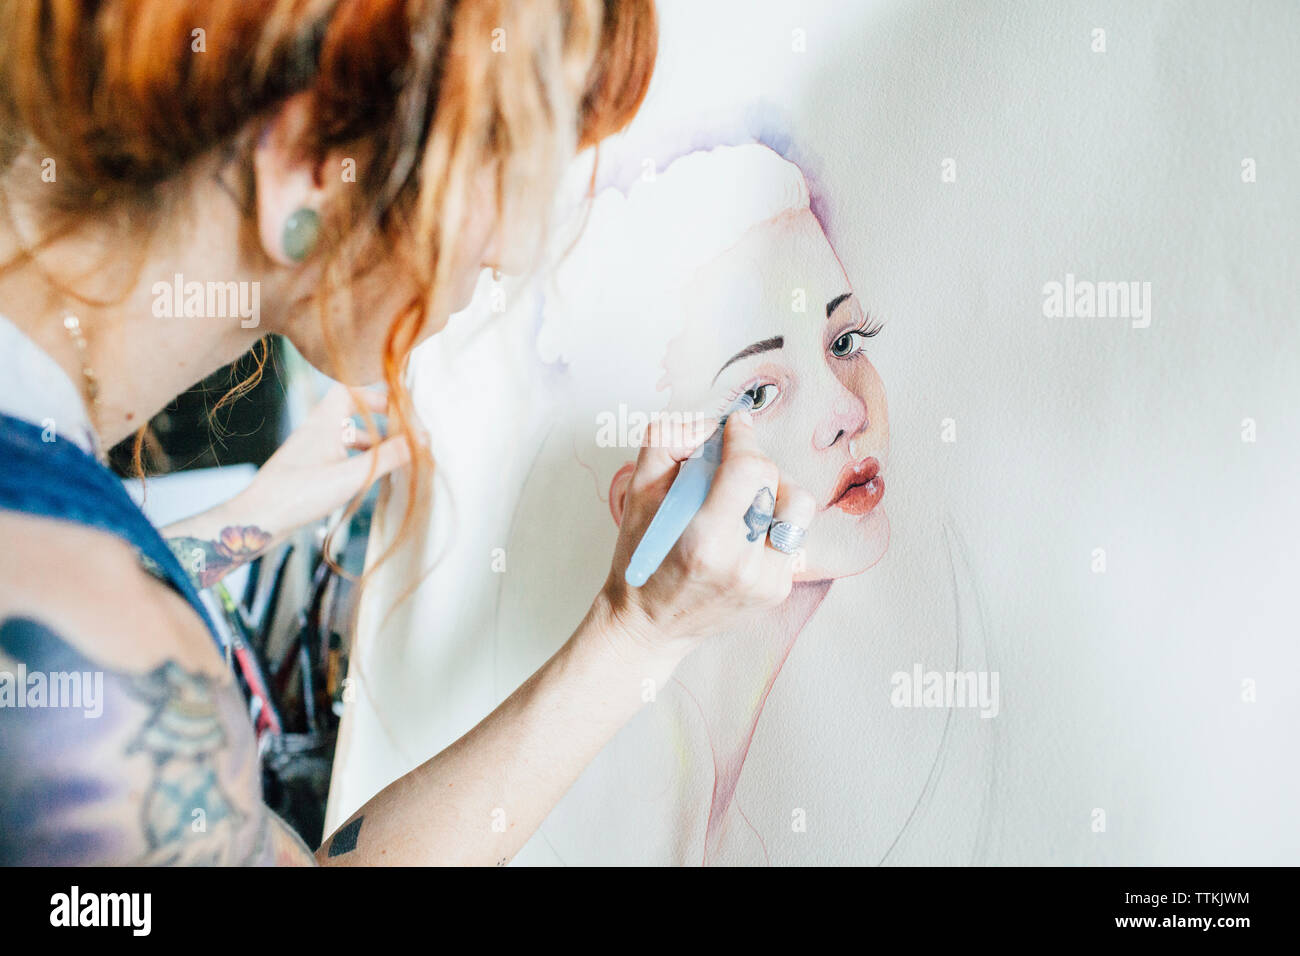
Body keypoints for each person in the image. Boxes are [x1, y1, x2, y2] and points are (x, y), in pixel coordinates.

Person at [0, 0, 816, 866]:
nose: (511, 246)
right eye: (498, 162)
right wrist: (639, 633)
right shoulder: (99, 693)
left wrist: (239, 525)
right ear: (309, 168)